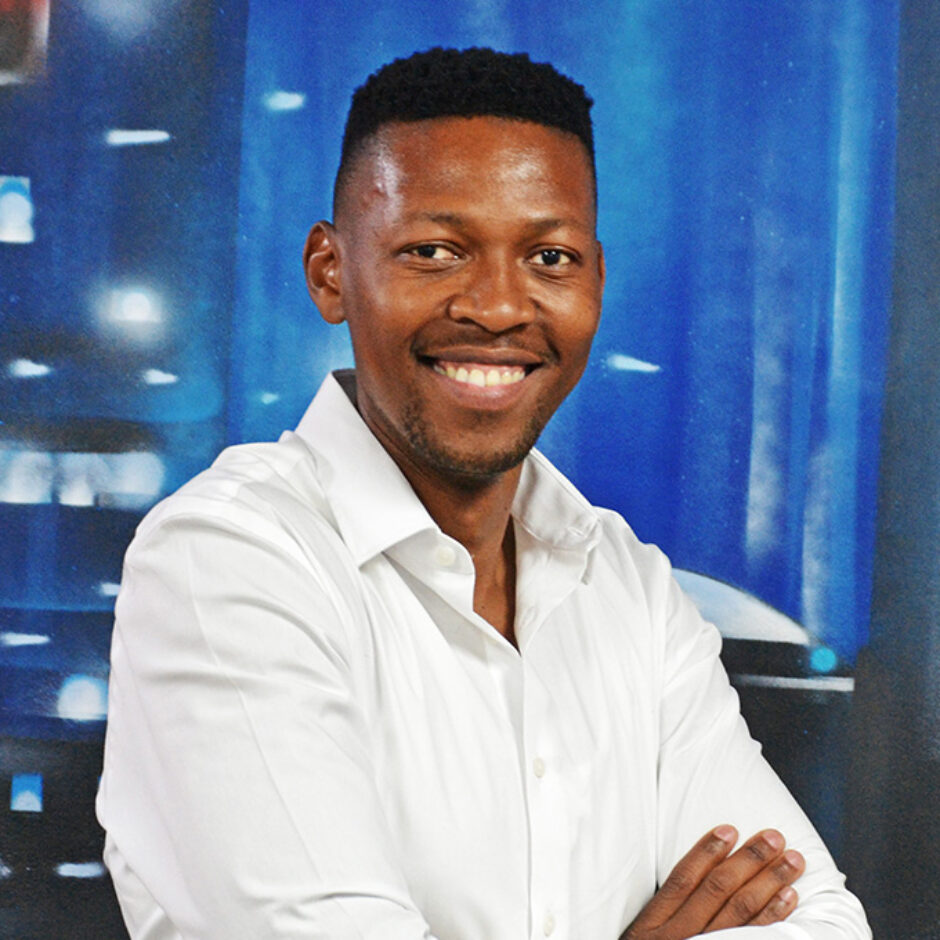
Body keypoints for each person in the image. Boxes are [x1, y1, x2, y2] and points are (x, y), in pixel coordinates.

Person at [97, 48, 870, 939]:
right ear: (330, 272)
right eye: (434, 251)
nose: (499, 307)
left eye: (549, 256)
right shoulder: (227, 562)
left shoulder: (631, 590)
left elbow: (823, 923)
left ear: (596, 281)